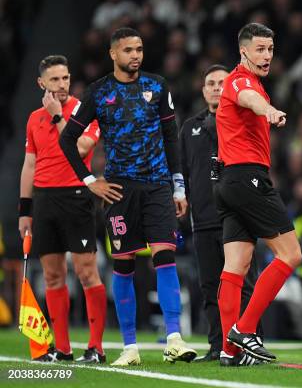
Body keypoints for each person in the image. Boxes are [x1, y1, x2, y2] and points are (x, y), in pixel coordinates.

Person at [59, 28, 196, 366]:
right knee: (124, 264)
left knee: (165, 255)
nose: (135, 55)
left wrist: (178, 186)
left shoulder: (157, 86)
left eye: (139, 49)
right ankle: (130, 346)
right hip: (119, 190)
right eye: (128, 50)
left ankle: (174, 338)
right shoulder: (98, 91)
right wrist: (91, 180)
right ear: (113, 54)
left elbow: (169, 137)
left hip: (157, 186)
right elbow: (68, 140)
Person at [214, 23, 302, 366]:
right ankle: (245, 329)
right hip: (247, 178)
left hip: (230, 182)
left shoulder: (251, 82)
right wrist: (269, 110)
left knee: (236, 266)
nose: (267, 55)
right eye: (260, 49)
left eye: (270, 48)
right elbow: (250, 101)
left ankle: (228, 349)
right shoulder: (240, 81)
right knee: (291, 255)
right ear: (244, 51)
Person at [19, 55, 106, 363]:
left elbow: (82, 148)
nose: (62, 85)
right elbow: (30, 165)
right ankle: (64, 349)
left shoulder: (84, 111)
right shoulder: (33, 118)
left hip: (76, 196)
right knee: (52, 276)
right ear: (41, 83)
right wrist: (24, 211)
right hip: (44, 201)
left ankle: (96, 347)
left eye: (66, 78)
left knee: (86, 273)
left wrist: (58, 117)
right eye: (54, 79)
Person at [179, 64, 259, 362]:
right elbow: (184, 172)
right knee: (210, 285)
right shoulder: (189, 128)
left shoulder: (241, 121)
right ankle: (218, 345)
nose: (216, 87)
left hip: (237, 217)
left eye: (222, 83)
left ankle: (252, 342)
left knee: (244, 283)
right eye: (210, 83)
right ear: (203, 91)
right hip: (202, 219)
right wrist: (180, 196)